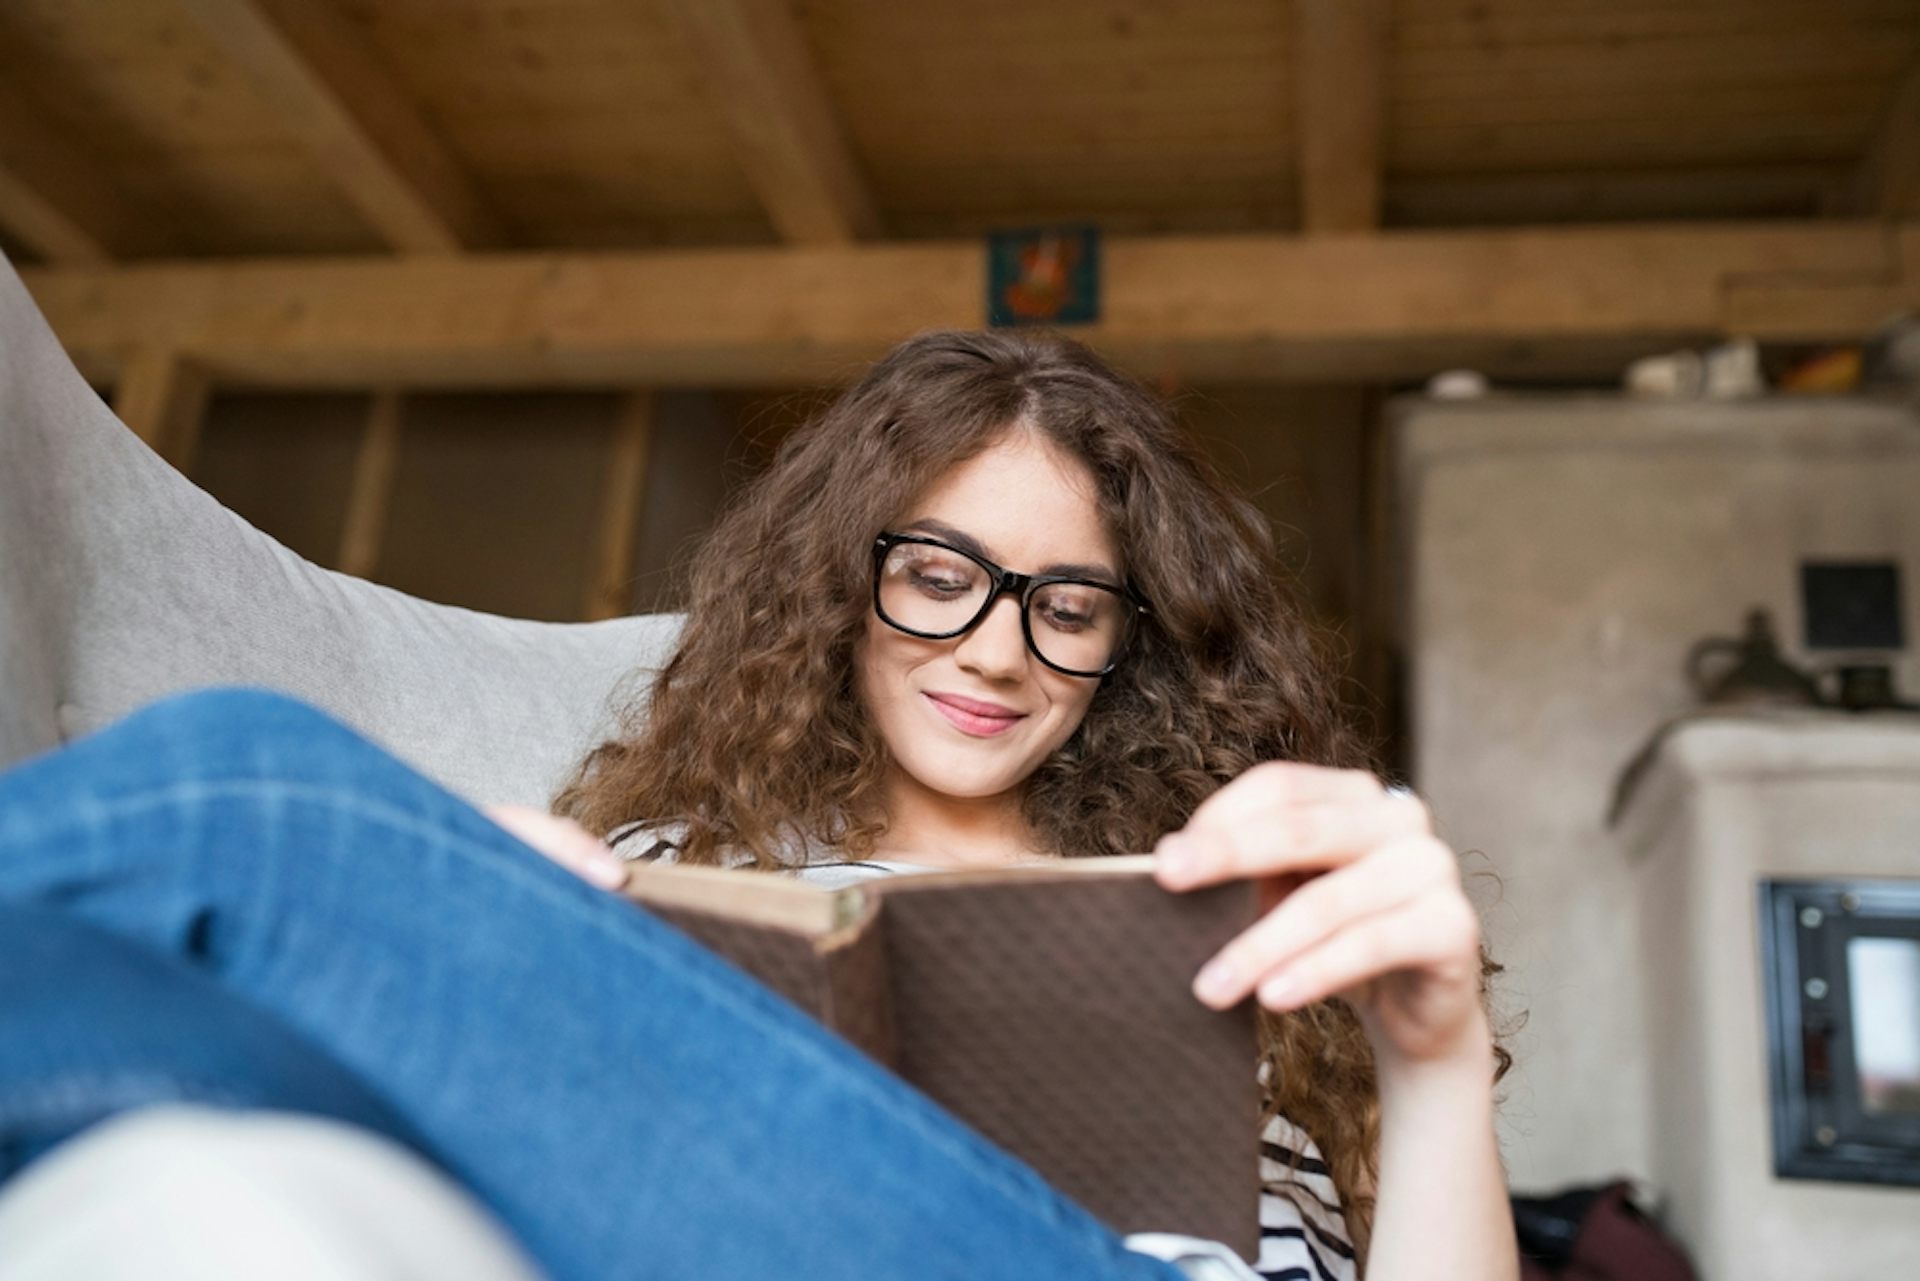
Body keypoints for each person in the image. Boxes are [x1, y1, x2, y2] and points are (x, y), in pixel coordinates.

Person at [0, 330, 1515, 1281]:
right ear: (839, 585)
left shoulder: (1246, 917)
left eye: (1066, 602)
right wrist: (494, 956)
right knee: (183, 998)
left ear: (1128, 640)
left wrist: (1433, 1067)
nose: (997, 646)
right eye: (936, 575)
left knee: (261, 801)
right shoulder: (685, 869)